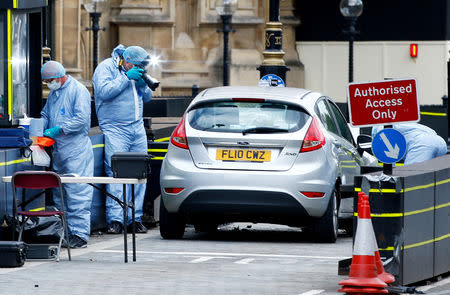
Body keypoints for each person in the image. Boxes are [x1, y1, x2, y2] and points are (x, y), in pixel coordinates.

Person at [92, 45, 153, 234]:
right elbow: (103, 91)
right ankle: (116, 219)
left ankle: (135, 217)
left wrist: (144, 84)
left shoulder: (134, 70)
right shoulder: (106, 68)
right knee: (116, 173)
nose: (137, 68)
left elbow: (148, 98)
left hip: (136, 127)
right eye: (135, 66)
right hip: (115, 128)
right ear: (125, 61)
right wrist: (125, 78)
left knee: (139, 172)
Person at [40, 60, 94, 248]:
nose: (49, 84)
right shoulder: (55, 93)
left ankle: (79, 235)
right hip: (60, 150)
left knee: (77, 192)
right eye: (46, 82)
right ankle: (64, 232)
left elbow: (81, 119)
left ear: (60, 76)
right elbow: (47, 113)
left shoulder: (78, 91)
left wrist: (58, 129)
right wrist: (40, 125)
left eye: (50, 80)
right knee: (60, 193)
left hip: (76, 150)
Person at [372, 122, 447, 165]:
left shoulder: (380, 126)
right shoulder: (402, 122)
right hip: (440, 142)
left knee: (410, 178)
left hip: (421, 144)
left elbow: (386, 154)